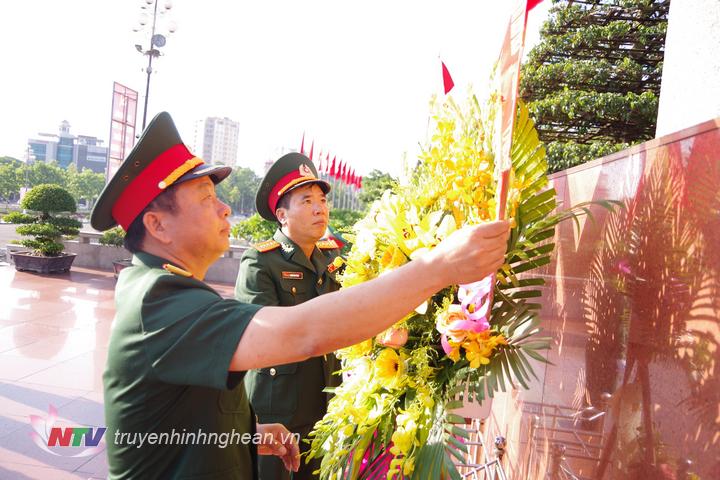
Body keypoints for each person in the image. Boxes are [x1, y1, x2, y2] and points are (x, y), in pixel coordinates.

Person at [92, 112, 509, 479]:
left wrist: (245, 435)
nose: (223, 209)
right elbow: (299, 333)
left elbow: (176, 416)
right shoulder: (158, 300)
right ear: (157, 225)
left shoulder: (162, 288)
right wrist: (438, 267)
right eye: (206, 198)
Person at [235, 152, 341, 480]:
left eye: (322, 199)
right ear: (282, 215)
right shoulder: (260, 263)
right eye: (306, 200)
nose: (319, 208)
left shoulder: (334, 255)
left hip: (326, 404)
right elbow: (264, 336)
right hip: (278, 411)